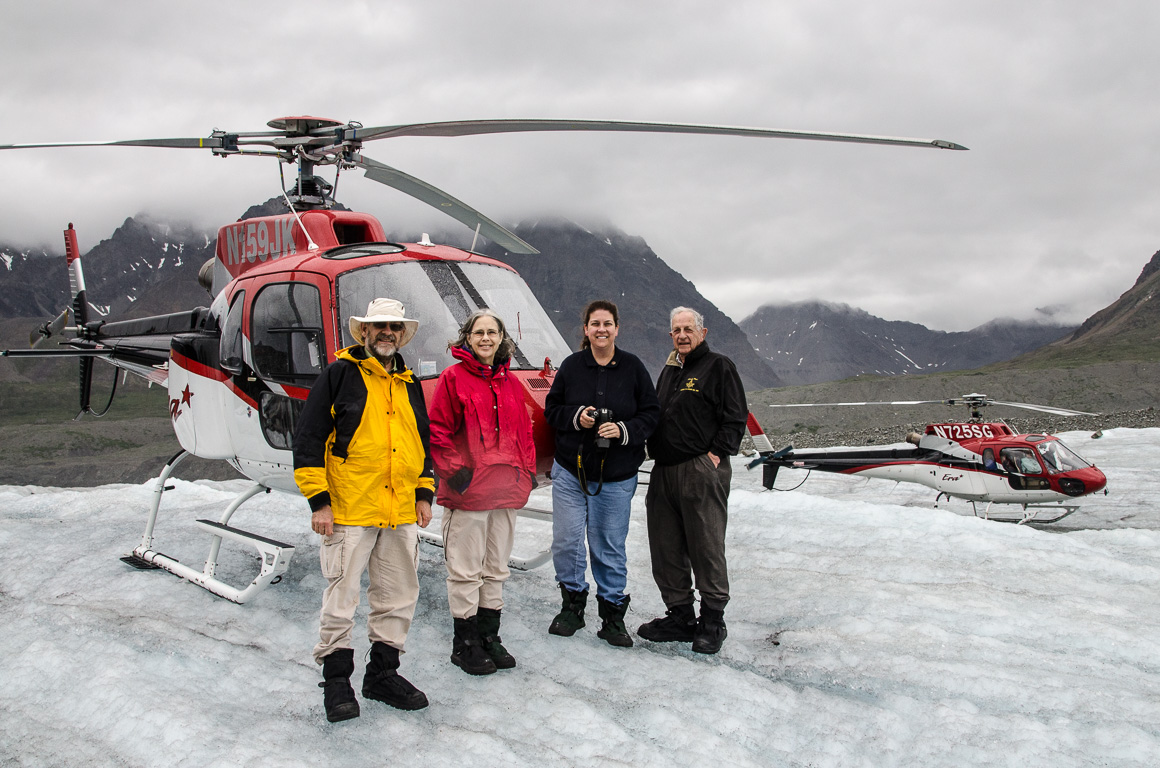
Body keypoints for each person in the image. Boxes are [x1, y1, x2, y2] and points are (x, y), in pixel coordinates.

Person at [293, 297, 435, 722]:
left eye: (393, 326)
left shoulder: (409, 382)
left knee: (398, 595)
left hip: (399, 511)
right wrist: (319, 501)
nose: (386, 333)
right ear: (365, 333)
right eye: (379, 327)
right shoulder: (340, 374)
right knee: (342, 596)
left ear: (401, 333)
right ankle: (337, 683)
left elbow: (423, 444)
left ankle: (381, 676)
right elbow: (309, 437)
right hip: (351, 509)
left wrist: (424, 493)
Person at [543, 300, 659, 647]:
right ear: (586, 330)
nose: (601, 329)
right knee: (566, 541)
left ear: (617, 328)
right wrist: (576, 417)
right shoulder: (571, 366)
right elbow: (552, 409)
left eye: (607, 323)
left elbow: (651, 414)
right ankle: (572, 606)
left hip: (617, 475)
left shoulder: (634, 368)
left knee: (608, 545)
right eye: (595, 324)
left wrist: (623, 431)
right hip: (570, 471)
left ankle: (612, 617)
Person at [429, 309, 536, 676]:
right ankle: (466, 643)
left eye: (492, 332)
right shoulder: (452, 378)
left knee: (496, 568)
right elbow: (439, 433)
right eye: (479, 333)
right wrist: (457, 476)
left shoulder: (510, 383)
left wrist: (527, 474)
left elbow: (524, 433)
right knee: (464, 570)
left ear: (501, 337)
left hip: (505, 494)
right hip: (470, 495)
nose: (486, 338)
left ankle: (490, 635)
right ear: (468, 339)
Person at [639, 306, 747, 655]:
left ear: (703, 332)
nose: (682, 335)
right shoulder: (670, 369)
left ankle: (712, 620)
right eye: (676, 330)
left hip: (699, 469)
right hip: (665, 472)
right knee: (665, 546)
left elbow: (735, 416)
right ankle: (681, 616)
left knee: (706, 545)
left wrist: (715, 455)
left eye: (688, 329)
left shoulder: (718, 366)